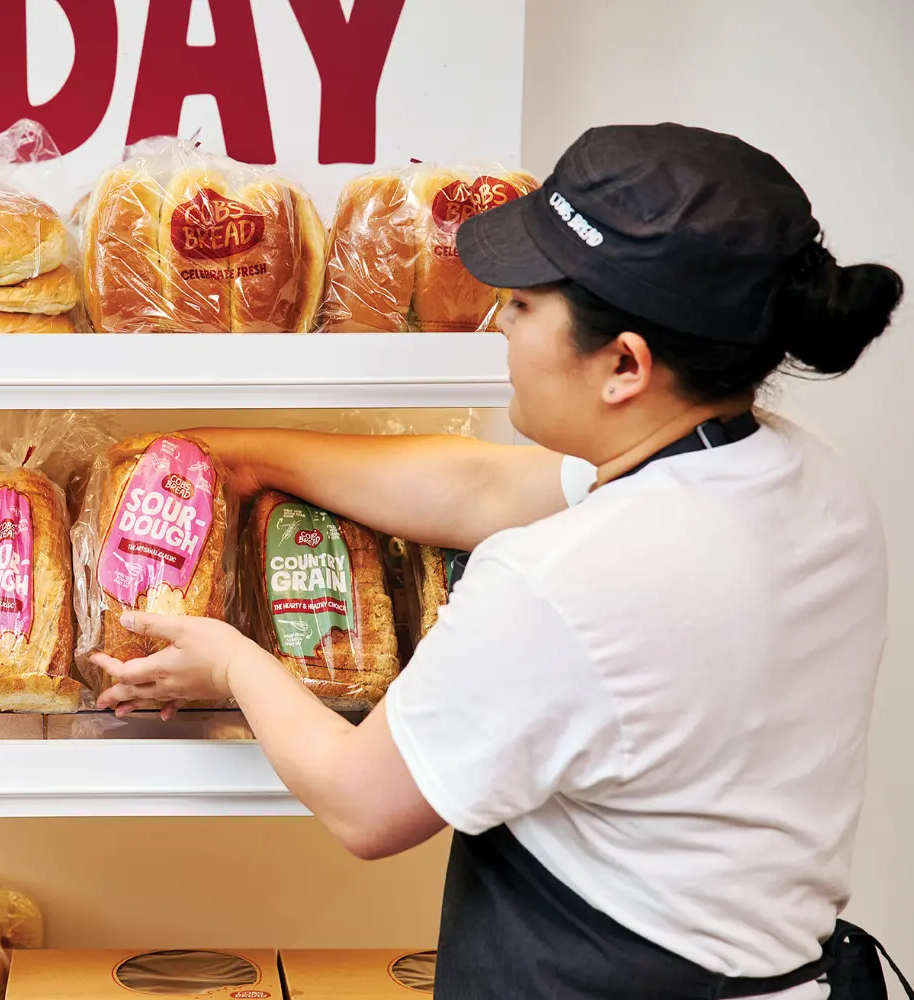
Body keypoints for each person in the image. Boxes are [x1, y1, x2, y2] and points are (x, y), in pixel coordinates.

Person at [91, 124, 907, 998]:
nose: (499, 326)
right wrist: (241, 456)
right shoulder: (808, 477)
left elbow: (362, 805)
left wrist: (231, 660)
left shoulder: (564, 582)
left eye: (522, 306)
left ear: (623, 365)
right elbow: (479, 486)